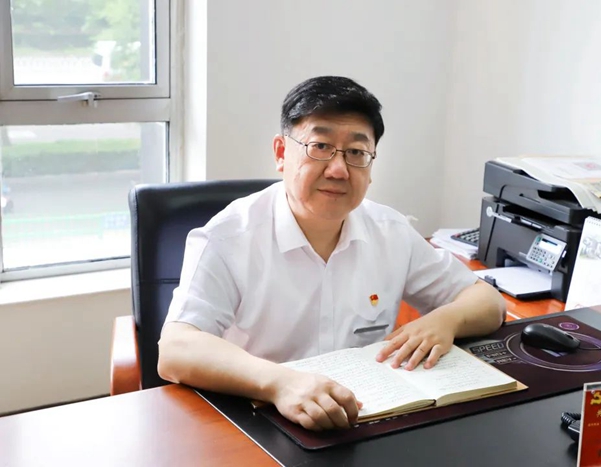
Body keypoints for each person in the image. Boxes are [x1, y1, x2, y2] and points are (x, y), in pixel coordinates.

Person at [158, 76, 506, 431]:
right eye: (320, 146)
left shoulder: (391, 231)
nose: (338, 170)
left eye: (356, 152)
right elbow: (176, 348)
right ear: (281, 153)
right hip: (260, 420)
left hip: (368, 416)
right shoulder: (228, 238)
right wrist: (281, 382)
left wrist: (445, 320)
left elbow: (489, 302)